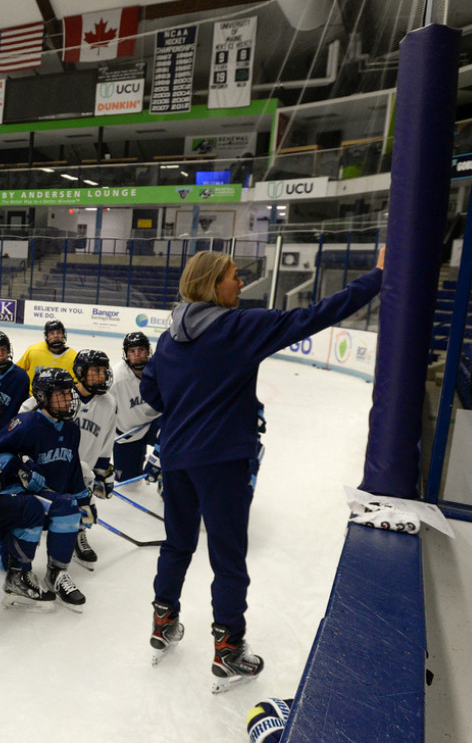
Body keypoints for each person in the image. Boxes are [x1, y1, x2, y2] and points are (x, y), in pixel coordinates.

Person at [140, 249, 384, 690]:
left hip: (175, 458)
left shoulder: (169, 335)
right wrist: (377, 277)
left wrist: (190, 403)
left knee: (177, 545)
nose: (240, 284)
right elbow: (313, 316)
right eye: (234, 277)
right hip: (222, 462)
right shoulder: (239, 327)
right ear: (214, 284)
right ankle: (229, 649)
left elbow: (153, 394)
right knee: (228, 557)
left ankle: (163, 623)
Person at [0, 367, 93, 611]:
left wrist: (84, 499)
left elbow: (72, 468)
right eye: (60, 394)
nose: (68, 399)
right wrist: (18, 467)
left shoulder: (71, 428)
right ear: (43, 397)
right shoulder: (25, 424)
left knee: (69, 505)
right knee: (65, 506)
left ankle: (54, 574)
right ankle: (43, 575)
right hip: (18, 492)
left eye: (69, 393)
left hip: (50, 494)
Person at [66, 349, 117, 571]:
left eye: (103, 371)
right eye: (95, 371)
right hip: (58, 465)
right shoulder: (63, 395)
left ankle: (80, 534)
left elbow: (108, 435)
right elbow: (30, 408)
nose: (102, 376)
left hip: (85, 471)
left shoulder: (108, 402)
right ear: (80, 372)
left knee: (86, 507)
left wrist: (103, 469)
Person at [112, 332, 162, 482]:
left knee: (174, 443)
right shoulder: (117, 378)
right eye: (132, 351)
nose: (137, 354)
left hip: (156, 424)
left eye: (141, 349)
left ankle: (166, 478)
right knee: (127, 481)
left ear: (148, 351)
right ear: (126, 354)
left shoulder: (160, 369)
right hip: (128, 431)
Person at [17, 319, 76, 387]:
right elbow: (18, 371)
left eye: (59, 332)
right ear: (47, 337)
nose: (56, 336)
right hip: (31, 395)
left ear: (63, 335)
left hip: (60, 397)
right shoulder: (33, 351)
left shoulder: (73, 357)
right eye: (52, 333)